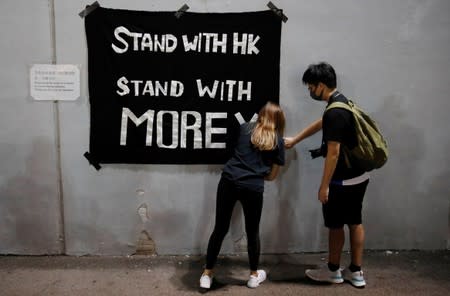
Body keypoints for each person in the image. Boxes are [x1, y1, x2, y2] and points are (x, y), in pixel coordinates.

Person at [284, 62, 369, 288]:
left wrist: (324, 186)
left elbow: (333, 153)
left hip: (341, 181)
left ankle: (333, 271)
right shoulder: (342, 103)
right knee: (355, 222)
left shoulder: (335, 112)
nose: (310, 91)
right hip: (359, 176)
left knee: (335, 225)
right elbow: (323, 123)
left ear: (321, 85)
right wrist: (296, 139)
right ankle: (356, 272)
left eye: (311, 87)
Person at [200, 101, 286, 289]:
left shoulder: (245, 128)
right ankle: (254, 276)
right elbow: (272, 177)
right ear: (279, 120)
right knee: (252, 232)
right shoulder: (278, 141)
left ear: (261, 114)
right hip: (253, 187)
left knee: (220, 228)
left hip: (229, 181)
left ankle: (207, 274)